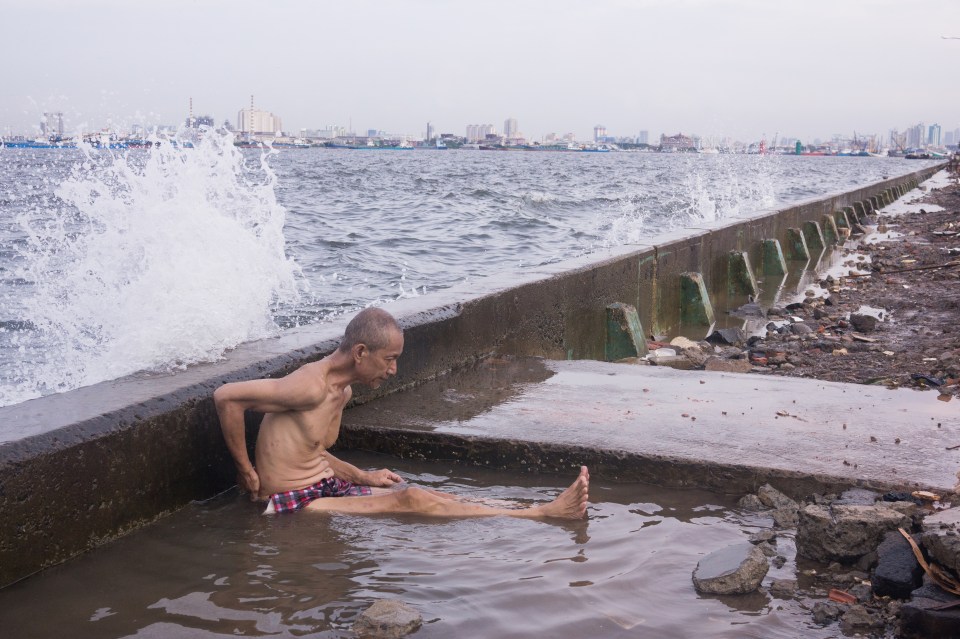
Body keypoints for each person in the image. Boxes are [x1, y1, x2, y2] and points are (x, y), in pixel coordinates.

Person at [214, 307, 589, 519]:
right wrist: (247, 472)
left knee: (412, 490)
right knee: (409, 501)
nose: (393, 371)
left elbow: (310, 450)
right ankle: (543, 514)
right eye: (389, 360)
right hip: (290, 502)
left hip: (322, 487)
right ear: (361, 353)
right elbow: (226, 397)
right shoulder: (309, 385)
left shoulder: (340, 393)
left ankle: (525, 507)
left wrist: (364, 475)